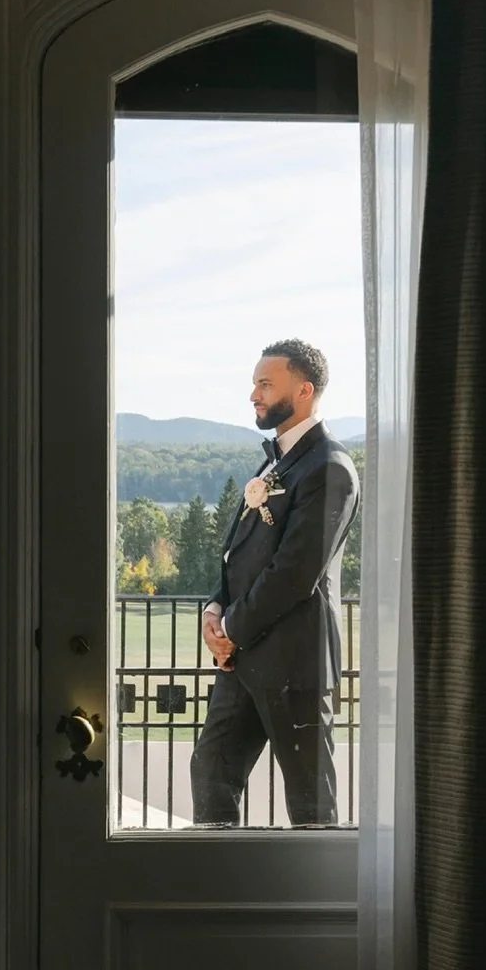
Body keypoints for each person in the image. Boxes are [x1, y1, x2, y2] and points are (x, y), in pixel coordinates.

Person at [190, 339, 360, 827]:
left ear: (304, 390)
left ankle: (316, 902)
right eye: (254, 384)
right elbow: (237, 555)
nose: (253, 395)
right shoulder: (274, 464)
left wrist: (231, 632)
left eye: (265, 384)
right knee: (211, 769)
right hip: (242, 659)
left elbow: (294, 573)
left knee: (309, 800)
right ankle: (219, 887)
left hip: (294, 660)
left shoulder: (330, 467)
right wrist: (213, 610)